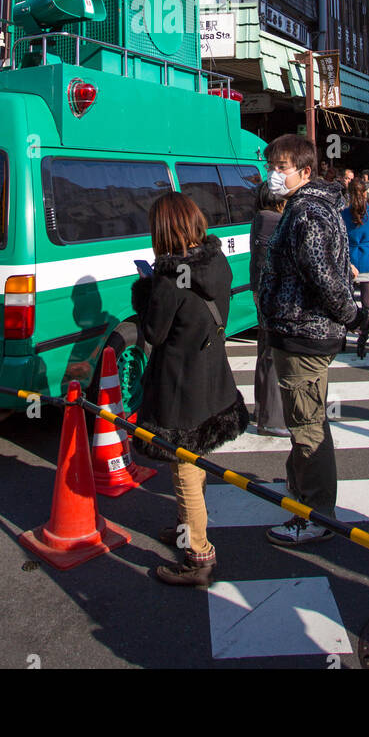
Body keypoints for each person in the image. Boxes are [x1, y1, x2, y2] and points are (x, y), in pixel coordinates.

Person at [131, 192, 248, 588]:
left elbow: (152, 333)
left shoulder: (168, 279)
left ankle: (199, 554)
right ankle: (185, 527)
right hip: (211, 376)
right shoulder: (217, 261)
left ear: (162, 231)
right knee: (195, 459)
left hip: (180, 386)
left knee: (184, 467)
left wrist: (145, 290)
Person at [258, 134, 363, 547]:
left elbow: (324, 276)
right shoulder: (312, 207)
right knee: (306, 417)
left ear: (304, 171)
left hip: (304, 333)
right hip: (300, 331)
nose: (274, 175)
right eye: (272, 166)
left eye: (281, 168)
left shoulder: (306, 213)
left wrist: (349, 314)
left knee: (307, 425)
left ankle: (318, 512)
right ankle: (299, 486)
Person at [248, 182, 287, 435]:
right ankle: (272, 419)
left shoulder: (258, 218)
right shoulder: (274, 220)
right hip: (275, 297)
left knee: (265, 352)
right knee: (273, 355)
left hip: (261, 293)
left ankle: (262, 409)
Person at [342, 180, 369, 359]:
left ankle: (342, 337)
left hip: (348, 260)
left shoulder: (342, 214)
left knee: (345, 302)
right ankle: (362, 342)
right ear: (365, 193)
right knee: (368, 305)